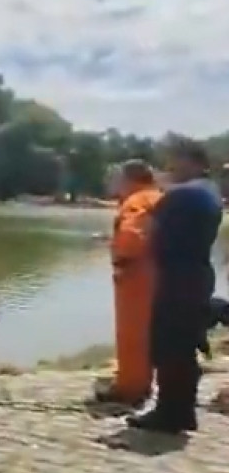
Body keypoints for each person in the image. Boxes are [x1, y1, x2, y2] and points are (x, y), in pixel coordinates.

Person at [128, 140, 222, 433]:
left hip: (176, 278)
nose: (170, 166)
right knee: (184, 345)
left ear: (194, 162)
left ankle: (170, 414)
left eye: (175, 160)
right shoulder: (211, 191)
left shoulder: (182, 194)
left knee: (169, 346)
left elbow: (150, 232)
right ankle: (182, 411)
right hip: (198, 273)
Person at [96, 160, 162, 406]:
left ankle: (130, 389)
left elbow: (133, 236)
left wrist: (121, 257)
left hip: (135, 278)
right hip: (155, 273)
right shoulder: (156, 197)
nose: (112, 183)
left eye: (116, 178)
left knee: (131, 335)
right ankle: (142, 381)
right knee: (147, 334)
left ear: (128, 179)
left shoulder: (136, 201)